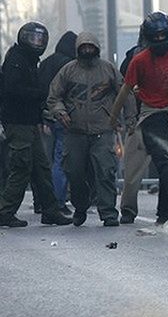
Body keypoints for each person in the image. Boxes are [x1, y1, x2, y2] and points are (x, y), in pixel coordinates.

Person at [110, 11, 168, 224]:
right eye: (155, 37)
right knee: (162, 163)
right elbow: (125, 89)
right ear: (148, 38)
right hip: (149, 116)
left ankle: (165, 212)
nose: (160, 41)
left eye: (163, 36)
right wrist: (114, 117)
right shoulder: (139, 60)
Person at [48, 32, 132, 227]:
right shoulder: (68, 71)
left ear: (97, 48)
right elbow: (54, 96)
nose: (87, 50)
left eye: (90, 47)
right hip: (74, 131)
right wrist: (60, 112)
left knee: (105, 171)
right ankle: (80, 206)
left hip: (103, 129)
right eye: (83, 47)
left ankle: (108, 213)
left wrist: (129, 118)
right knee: (74, 173)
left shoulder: (108, 70)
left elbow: (125, 94)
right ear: (78, 49)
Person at [0, 22, 72, 227]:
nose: (36, 42)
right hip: (18, 121)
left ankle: (50, 210)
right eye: (32, 38)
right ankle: (5, 211)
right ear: (23, 38)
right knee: (21, 166)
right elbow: (12, 90)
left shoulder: (29, 60)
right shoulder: (17, 59)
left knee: (41, 167)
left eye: (40, 39)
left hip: (29, 121)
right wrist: (39, 95)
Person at [38, 30, 77, 215]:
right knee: (61, 159)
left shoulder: (46, 63)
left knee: (46, 160)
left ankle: (43, 201)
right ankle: (59, 201)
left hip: (46, 117)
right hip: (63, 117)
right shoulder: (69, 65)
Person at [117, 28, 152, 225]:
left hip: (155, 114)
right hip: (141, 117)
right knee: (133, 168)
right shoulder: (135, 57)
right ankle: (128, 209)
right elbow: (125, 86)